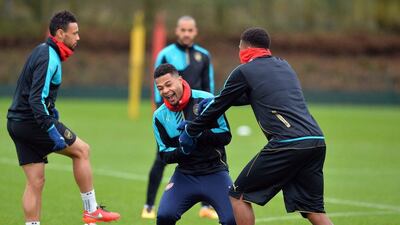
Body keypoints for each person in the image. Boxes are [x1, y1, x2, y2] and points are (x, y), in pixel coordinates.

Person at [179, 27, 334, 225]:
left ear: (244, 47)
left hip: (288, 143)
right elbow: (253, 95)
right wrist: (216, 101)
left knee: (238, 196)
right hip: (316, 141)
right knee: (313, 210)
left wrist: (191, 129)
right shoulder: (284, 66)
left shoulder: (244, 71)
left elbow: (220, 106)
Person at [6, 10, 120, 225]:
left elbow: (36, 93)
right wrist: (49, 127)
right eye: (74, 33)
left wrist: (52, 110)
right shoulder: (48, 57)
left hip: (16, 123)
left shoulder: (43, 51)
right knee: (82, 151)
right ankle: (91, 210)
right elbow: (36, 98)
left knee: (35, 182)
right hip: (33, 122)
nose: (78, 37)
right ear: (60, 34)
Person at [143, 15, 217, 219]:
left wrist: (210, 113)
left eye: (190, 30)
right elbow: (158, 87)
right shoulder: (166, 54)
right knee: (161, 157)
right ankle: (149, 205)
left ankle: (206, 206)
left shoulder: (204, 55)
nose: (186, 33)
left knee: (208, 151)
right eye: (182, 30)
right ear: (176, 31)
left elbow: (208, 85)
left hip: (198, 114)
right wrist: (163, 114)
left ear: (195, 32)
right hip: (170, 113)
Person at [151, 63, 235, 225]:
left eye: (168, 84)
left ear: (180, 80)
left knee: (232, 219)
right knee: (164, 216)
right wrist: (184, 149)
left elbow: (225, 135)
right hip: (185, 175)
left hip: (215, 172)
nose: (165, 91)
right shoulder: (159, 116)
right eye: (160, 88)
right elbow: (164, 155)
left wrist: (197, 133)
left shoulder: (206, 99)